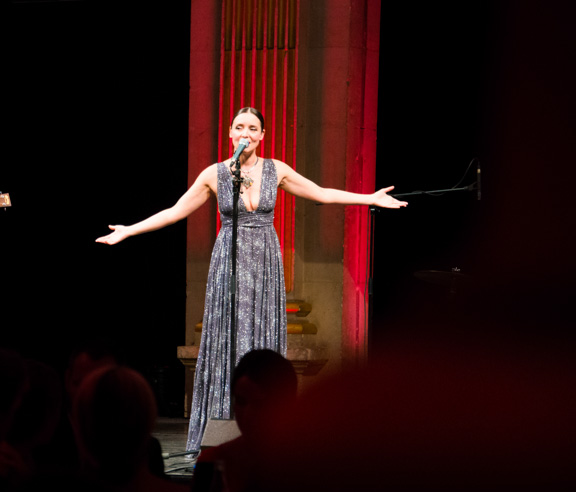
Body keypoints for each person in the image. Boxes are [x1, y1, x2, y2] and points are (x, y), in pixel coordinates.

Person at [97, 106, 406, 450]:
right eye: (239, 127)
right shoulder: (215, 174)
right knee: (229, 336)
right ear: (230, 134)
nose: (245, 133)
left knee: (258, 338)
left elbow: (321, 193)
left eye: (252, 128)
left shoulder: (277, 170)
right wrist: (129, 230)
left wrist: (369, 199)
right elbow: (175, 211)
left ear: (262, 136)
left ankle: (266, 426)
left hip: (264, 264)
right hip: (228, 262)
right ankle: (222, 420)